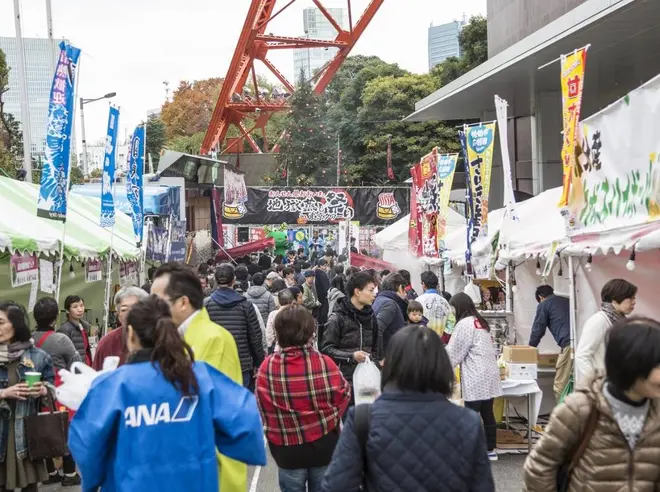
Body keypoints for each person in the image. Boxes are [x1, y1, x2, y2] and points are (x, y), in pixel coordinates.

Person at [68, 296, 267, 492]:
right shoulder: (201, 376)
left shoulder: (111, 385)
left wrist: (95, 480)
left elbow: (85, 442)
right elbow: (247, 423)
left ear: (130, 334)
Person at [321, 325, 495, 492]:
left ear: (392, 365)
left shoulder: (364, 419)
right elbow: (482, 486)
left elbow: (337, 486)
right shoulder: (468, 422)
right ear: (442, 366)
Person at [523, 317, 660, 491]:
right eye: (658, 365)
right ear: (632, 364)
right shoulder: (580, 409)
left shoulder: (657, 410)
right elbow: (539, 467)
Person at [151, 262, 247, 492]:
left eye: (158, 302)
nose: (151, 309)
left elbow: (207, 413)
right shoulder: (176, 338)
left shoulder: (212, 339)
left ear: (183, 302)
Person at [256, 306, 350, 492]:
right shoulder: (324, 362)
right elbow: (344, 394)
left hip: (286, 448)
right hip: (324, 445)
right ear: (310, 332)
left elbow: (261, 403)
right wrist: (328, 418)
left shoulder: (268, 367)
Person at [0, 302, 54, 492]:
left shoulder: (39, 357)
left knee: (30, 487)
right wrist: (4, 393)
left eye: (1, 322)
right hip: (1, 434)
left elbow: (52, 390)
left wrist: (44, 391)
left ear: (16, 325)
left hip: (27, 434)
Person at [32, 298, 82, 486]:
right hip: (60, 393)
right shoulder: (61, 339)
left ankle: (51, 471)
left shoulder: (30, 339)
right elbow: (77, 365)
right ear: (55, 318)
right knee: (65, 432)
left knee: (44, 429)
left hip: (37, 392)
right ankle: (69, 474)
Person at [447, 293, 502, 461]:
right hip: (490, 373)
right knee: (488, 412)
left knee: (471, 413)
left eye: (453, 308)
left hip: (475, 375)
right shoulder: (480, 322)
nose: (452, 312)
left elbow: (454, 351)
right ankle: (490, 449)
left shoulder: (464, 324)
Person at [322, 271, 380, 404]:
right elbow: (326, 349)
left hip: (368, 383)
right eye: (371, 290)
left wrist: (374, 367)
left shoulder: (372, 317)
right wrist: (351, 356)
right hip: (344, 383)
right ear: (357, 291)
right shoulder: (337, 318)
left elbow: (376, 349)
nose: (374, 294)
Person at [204, 263, 265, 390]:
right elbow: (255, 336)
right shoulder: (245, 305)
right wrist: (259, 362)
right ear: (234, 280)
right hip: (241, 364)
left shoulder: (206, 305)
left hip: (214, 364)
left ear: (215, 280)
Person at [575, 278, 637, 385]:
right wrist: (597, 381)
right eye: (630, 298)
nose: (634, 302)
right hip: (603, 386)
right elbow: (581, 356)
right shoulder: (599, 320)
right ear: (614, 300)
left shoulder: (620, 321)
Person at [528, 285, 572, 400]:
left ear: (540, 297)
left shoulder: (544, 304)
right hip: (582, 342)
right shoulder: (567, 301)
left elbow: (538, 329)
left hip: (569, 345)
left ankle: (565, 416)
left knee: (560, 386)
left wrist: (529, 350)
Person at [92, 286, 149, 371]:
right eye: (124, 310)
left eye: (135, 308)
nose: (130, 314)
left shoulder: (157, 338)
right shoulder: (106, 344)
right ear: (118, 315)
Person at [372, 273, 409, 353]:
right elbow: (377, 328)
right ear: (400, 288)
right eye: (405, 290)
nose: (406, 294)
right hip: (390, 355)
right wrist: (380, 357)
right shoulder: (390, 304)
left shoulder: (380, 299)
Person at [59, 295, 92, 365]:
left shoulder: (84, 326)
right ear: (68, 310)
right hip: (75, 369)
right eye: (75, 307)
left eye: (82, 305)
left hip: (86, 367)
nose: (80, 310)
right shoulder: (64, 329)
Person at [416, 271, 451, 337]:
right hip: (440, 342)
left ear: (423, 284)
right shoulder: (445, 302)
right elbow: (451, 322)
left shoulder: (418, 301)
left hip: (423, 340)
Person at [265, 289, 295, 354]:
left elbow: (269, 335)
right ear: (292, 301)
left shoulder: (273, 314)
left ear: (279, 301)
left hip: (278, 348)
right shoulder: (295, 314)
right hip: (294, 349)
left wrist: (271, 345)